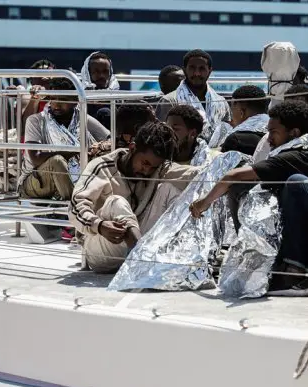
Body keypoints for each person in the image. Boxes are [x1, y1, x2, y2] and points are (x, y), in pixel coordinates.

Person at [70, 122, 199, 273]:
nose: (146, 171)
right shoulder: (103, 167)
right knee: (116, 202)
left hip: (137, 245)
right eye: (145, 163)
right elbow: (75, 206)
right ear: (132, 148)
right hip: (103, 249)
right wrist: (99, 225)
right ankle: (142, 263)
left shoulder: (157, 170)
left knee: (168, 189)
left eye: (153, 167)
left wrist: (228, 173)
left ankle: (179, 256)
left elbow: (193, 174)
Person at [189, 101, 308, 234]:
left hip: (300, 232)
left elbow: (233, 176)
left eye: (273, 132)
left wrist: (204, 203)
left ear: (294, 132)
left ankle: (245, 240)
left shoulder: (290, 158)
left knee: (239, 186)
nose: (268, 138)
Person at [19, 77, 110, 201]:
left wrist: (100, 147)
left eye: (63, 99)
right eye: (53, 99)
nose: (56, 104)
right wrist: (77, 151)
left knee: (108, 153)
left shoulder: (81, 117)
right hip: (35, 180)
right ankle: (76, 207)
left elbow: (109, 138)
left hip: (75, 178)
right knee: (57, 161)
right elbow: (35, 158)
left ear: (75, 101)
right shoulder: (35, 120)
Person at [155, 49, 230, 141]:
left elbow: (226, 135)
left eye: (202, 68)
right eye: (192, 68)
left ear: (210, 71)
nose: (197, 73)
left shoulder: (221, 102)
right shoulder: (169, 101)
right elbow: (161, 139)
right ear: (184, 70)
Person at [217, 85, 270, 156]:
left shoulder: (235, 140)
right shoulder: (277, 135)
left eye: (232, 111)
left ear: (241, 113)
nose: (231, 118)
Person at [81, 51, 120, 129]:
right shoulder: (79, 98)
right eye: (96, 72)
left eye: (105, 72)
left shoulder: (118, 99)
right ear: (88, 73)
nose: (101, 76)